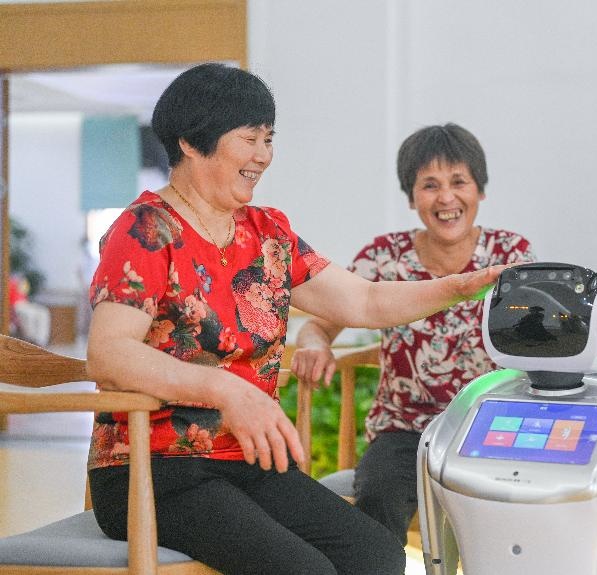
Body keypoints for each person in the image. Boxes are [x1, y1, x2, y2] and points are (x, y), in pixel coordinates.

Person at [85, 65, 507, 575]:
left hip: (248, 461)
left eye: (269, 138)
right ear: (192, 143)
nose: (263, 155)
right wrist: (224, 390)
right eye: (249, 139)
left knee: (374, 553)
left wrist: (454, 287)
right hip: (154, 470)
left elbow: (365, 303)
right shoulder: (144, 229)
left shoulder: (267, 233)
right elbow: (109, 354)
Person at [291, 123, 536, 545]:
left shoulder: (511, 256)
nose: (446, 198)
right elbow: (320, 322)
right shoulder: (384, 257)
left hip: (492, 425)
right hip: (404, 432)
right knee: (379, 494)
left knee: (506, 505)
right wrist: (314, 344)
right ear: (411, 196)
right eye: (429, 185)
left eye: (459, 182)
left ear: (480, 190)